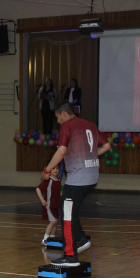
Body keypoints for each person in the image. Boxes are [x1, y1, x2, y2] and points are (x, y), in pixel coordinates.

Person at [41, 101, 111, 267]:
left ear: (64, 114)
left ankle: (70, 256)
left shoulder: (67, 126)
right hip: (92, 177)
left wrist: (47, 169)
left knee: (66, 213)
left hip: (79, 179)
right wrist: (91, 156)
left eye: (58, 118)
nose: (58, 122)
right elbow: (107, 145)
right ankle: (80, 239)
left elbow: (62, 151)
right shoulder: (90, 125)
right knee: (70, 209)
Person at [36, 162, 61, 246]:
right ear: (49, 170)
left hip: (56, 205)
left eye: (57, 168)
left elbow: (58, 192)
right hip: (49, 205)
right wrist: (42, 200)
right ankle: (45, 239)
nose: (56, 170)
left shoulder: (58, 180)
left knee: (56, 222)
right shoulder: (48, 180)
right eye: (53, 168)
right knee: (53, 222)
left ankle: (52, 238)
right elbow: (38, 189)